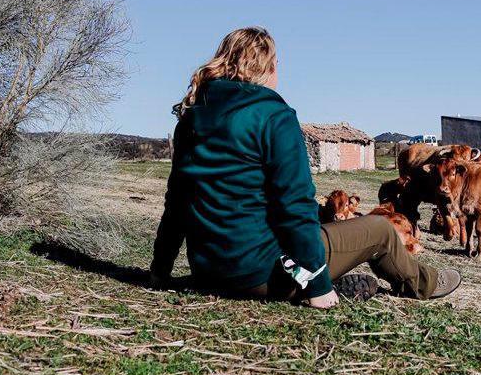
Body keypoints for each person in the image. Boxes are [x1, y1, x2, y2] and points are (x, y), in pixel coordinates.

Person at [149, 27, 462, 309]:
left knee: (317, 232)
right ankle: (424, 282)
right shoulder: (273, 116)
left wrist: (160, 269)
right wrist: (318, 287)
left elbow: (176, 204)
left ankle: (316, 283)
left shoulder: (192, 119)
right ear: (268, 68)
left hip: (208, 272)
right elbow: (293, 206)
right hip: (262, 273)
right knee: (380, 230)